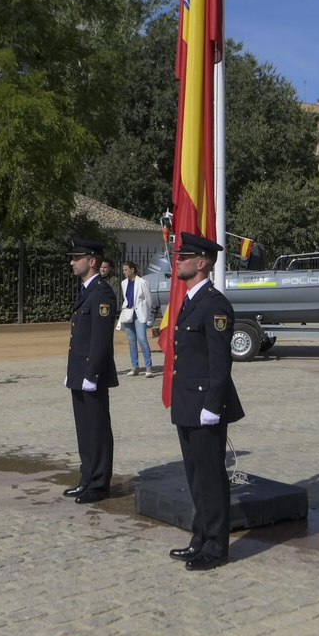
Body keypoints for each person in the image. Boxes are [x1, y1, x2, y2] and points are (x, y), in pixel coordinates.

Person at [166, 231, 246, 571]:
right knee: (196, 477)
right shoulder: (190, 301)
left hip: (205, 406)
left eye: (183, 258)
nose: (177, 261)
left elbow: (219, 362)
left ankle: (216, 546)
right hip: (188, 402)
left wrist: (213, 405)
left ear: (201, 263)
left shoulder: (215, 304)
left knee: (211, 478)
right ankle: (200, 538)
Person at [63, 238, 118, 503]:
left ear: (92, 260)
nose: (72, 262)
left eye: (77, 257)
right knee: (84, 429)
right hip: (79, 372)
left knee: (97, 429)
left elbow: (100, 339)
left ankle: (99, 482)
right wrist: (72, 371)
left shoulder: (102, 293)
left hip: (91, 375)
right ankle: (87, 477)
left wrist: (91, 374)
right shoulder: (86, 290)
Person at [116, 260, 158, 376]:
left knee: (142, 339)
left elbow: (149, 300)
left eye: (126, 270)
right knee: (131, 341)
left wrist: (149, 316)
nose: (124, 272)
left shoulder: (142, 282)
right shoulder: (124, 283)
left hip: (140, 314)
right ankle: (135, 367)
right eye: (123, 270)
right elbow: (126, 298)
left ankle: (148, 367)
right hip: (128, 314)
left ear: (132, 270)